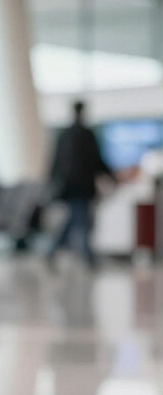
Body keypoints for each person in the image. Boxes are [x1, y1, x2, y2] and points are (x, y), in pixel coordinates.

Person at [46, 101, 115, 269]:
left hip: (68, 186)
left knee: (73, 219)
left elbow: (54, 162)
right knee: (83, 221)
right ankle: (87, 256)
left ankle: (52, 250)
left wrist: (52, 181)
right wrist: (111, 176)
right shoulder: (86, 134)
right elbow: (97, 159)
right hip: (81, 186)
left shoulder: (64, 134)